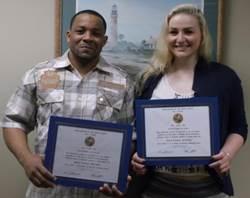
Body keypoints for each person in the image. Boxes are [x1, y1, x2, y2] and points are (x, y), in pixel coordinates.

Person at [1, 10, 134, 198]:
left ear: (104, 40)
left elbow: (129, 135)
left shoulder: (123, 81)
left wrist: (118, 171)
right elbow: (14, 122)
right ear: (69, 36)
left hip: (99, 192)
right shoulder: (38, 74)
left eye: (95, 33)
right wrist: (27, 160)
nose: (87, 37)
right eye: (81, 31)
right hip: (48, 190)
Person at [130, 4, 248, 198]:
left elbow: (239, 127)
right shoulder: (149, 79)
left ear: (201, 35)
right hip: (154, 188)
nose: (180, 39)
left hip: (209, 188)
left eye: (188, 32)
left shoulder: (225, 77)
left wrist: (227, 155)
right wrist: (137, 156)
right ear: (165, 37)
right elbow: (138, 129)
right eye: (173, 32)